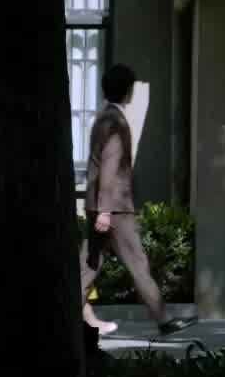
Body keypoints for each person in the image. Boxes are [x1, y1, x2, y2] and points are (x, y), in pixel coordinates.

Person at [81, 63, 193, 337]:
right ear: (127, 90)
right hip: (114, 208)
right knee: (137, 263)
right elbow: (110, 168)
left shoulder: (102, 119)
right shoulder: (116, 123)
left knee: (89, 265)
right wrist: (106, 210)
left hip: (98, 205)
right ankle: (164, 319)